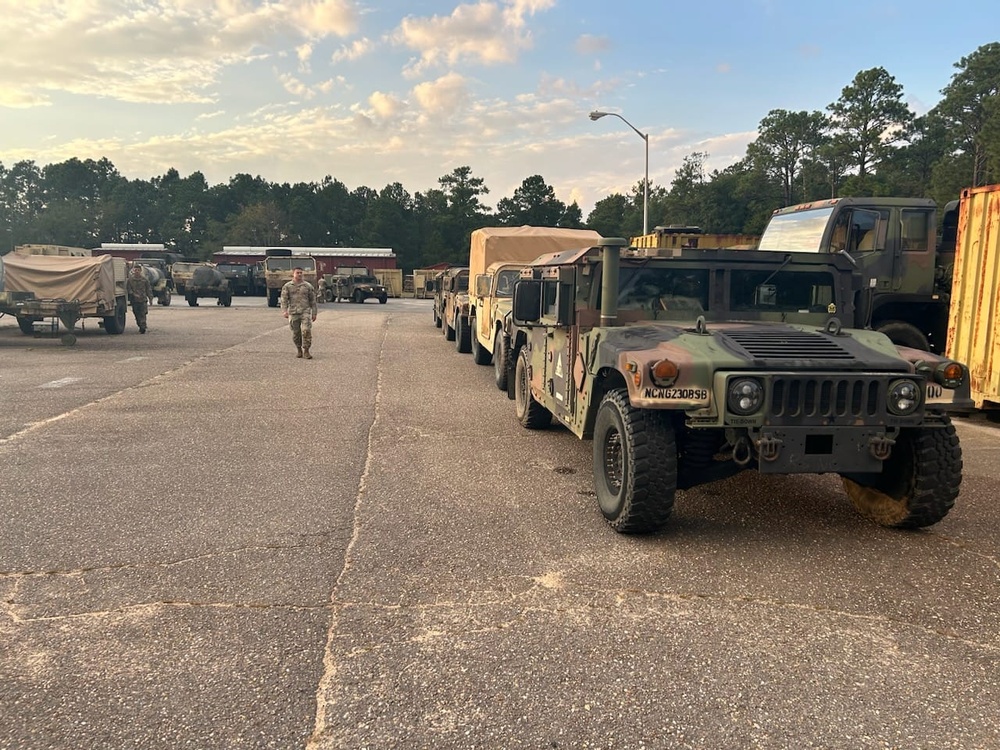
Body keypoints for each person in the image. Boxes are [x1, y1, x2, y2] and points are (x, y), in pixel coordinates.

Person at [280, 267, 318, 358]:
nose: (300, 274)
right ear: (293, 274)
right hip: (293, 312)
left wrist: (314, 313)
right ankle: (299, 349)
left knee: (306, 331)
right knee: (296, 333)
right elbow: (284, 299)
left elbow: (313, 300)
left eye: (301, 273)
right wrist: (284, 310)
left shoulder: (307, 286)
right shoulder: (287, 286)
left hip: (305, 311)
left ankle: (306, 350)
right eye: (298, 273)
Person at [126, 265, 154, 333]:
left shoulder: (144, 280)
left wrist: (150, 298)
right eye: (135, 270)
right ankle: (140, 324)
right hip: (134, 301)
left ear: (140, 271)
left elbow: (148, 289)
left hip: (143, 300)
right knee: (136, 314)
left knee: (143, 314)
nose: (137, 272)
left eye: (138, 270)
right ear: (133, 271)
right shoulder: (130, 280)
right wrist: (133, 294)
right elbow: (128, 289)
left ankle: (143, 326)